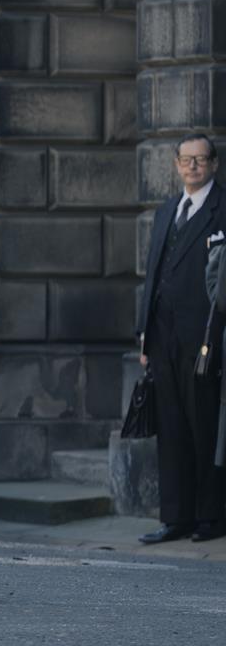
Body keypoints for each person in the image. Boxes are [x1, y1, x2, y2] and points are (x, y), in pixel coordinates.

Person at [138, 133, 226, 544]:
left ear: (213, 165)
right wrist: (143, 336)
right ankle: (176, 517)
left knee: (204, 426)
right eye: (186, 160)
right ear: (176, 164)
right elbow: (152, 273)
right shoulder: (167, 210)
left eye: (201, 159)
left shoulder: (221, 209)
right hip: (162, 337)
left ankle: (210, 517)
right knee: (170, 429)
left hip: (204, 337)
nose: (193, 166)